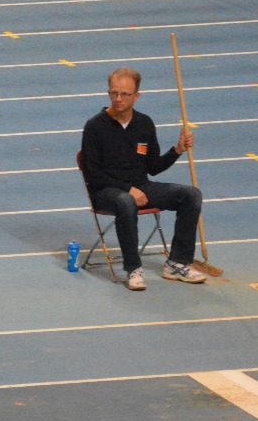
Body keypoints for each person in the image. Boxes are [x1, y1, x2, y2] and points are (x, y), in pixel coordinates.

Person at [80, 67, 207, 288]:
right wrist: (127, 189)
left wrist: (177, 150)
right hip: (106, 192)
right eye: (113, 93)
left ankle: (177, 262)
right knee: (125, 201)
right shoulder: (95, 126)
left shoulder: (144, 124)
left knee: (191, 195)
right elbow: (93, 174)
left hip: (141, 186)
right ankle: (133, 268)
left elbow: (154, 167)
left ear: (136, 96)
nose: (118, 99)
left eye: (124, 94)